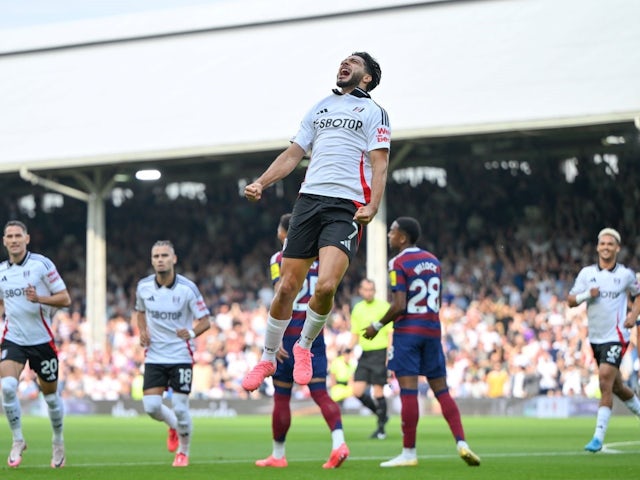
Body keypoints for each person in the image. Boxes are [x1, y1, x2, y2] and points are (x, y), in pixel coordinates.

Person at [241, 51, 390, 411]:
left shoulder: (374, 112)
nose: (345, 63)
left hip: (346, 205)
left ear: (367, 77)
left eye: (354, 62)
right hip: (308, 201)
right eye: (344, 60)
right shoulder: (319, 107)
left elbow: (380, 163)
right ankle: (267, 355)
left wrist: (373, 205)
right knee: (287, 287)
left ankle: (304, 346)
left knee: (325, 286)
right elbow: (294, 153)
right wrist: (262, 181)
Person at [363, 217, 480, 468]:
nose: (389, 235)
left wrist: (376, 325)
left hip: (408, 333)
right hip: (432, 331)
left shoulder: (398, 262)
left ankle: (408, 452)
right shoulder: (434, 261)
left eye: (392, 232)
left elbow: (399, 304)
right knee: (442, 391)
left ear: (403, 237)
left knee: (408, 392)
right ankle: (462, 443)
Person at [255, 213, 349, 469]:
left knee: (282, 397)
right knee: (320, 393)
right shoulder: (322, 261)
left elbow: (280, 294)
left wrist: (276, 339)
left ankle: (278, 454)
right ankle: (339, 442)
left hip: (287, 332)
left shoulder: (280, 259)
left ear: (285, 233)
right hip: (312, 334)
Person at [0, 220, 71, 468]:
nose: (14, 240)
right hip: (14, 339)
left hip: (42, 340)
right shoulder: (1, 271)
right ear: (4, 241)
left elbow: (65, 298)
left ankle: (58, 442)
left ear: (27, 239)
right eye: (9, 236)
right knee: (7, 387)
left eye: (18, 235)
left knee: (51, 399)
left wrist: (38, 298)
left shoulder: (42, 264)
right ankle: (18, 439)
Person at [134, 240, 211, 467]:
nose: (160, 260)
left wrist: (190, 332)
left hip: (180, 356)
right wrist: (142, 331)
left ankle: (183, 452)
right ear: (152, 260)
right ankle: (174, 426)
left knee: (179, 406)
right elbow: (139, 311)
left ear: (174, 259)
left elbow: (206, 321)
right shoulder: (143, 287)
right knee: (151, 407)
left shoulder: (187, 289)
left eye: (164, 256)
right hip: (155, 355)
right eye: (156, 256)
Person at [567, 227, 640, 453]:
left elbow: (638, 296)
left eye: (611, 244)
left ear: (617, 248)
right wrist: (587, 294)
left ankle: (597, 438)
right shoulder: (587, 274)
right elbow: (570, 300)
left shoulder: (625, 275)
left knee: (605, 380)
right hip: (596, 339)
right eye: (603, 244)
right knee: (617, 386)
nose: (606, 247)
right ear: (597, 247)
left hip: (616, 336)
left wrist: (633, 316)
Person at [349, 278, 392, 439]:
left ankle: (381, 429)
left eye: (371, 290)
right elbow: (355, 334)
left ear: (374, 291)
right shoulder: (357, 309)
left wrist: (389, 355)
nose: (368, 292)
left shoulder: (383, 307)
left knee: (378, 391)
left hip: (380, 353)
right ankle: (381, 415)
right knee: (357, 391)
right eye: (365, 289)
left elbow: (390, 333)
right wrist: (347, 349)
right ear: (360, 291)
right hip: (365, 354)